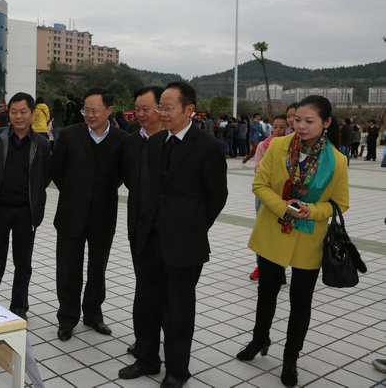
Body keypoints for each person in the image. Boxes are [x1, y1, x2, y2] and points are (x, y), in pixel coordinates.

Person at [119, 81, 227, 387]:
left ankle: (177, 370)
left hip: (185, 243)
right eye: (160, 107)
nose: (162, 113)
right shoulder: (154, 143)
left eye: (168, 108)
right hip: (149, 239)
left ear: (189, 109)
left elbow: (217, 197)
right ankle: (147, 358)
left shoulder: (208, 147)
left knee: (178, 311)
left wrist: (192, 227)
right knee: (145, 304)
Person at [237, 95, 348, 387]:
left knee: (301, 301)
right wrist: (284, 207)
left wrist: (312, 210)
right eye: (297, 119)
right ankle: (259, 339)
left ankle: (290, 357)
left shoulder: (337, 161)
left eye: (309, 121)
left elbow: (340, 204)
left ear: (326, 123)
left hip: (309, 239)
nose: (300, 126)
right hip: (273, 232)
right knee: (266, 292)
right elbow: (259, 185)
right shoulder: (278, 146)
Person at [50, 87, 127, 342]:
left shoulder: (122, 139)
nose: (90, 115)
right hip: (71, 213)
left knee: (98, 268)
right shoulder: (69, 135)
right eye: (86, 110)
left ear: (109, 110)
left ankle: (93, 314)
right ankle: (67, 318)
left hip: (103, 215)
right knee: (68, 269)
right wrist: (77, 193)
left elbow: (121, 175)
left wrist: (98, 194)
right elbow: (56, 170)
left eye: (95, 110)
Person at [0, 92, 51, 321]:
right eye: (14, 111)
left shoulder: (41, 144)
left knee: (23, 262)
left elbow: (45, 177)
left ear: (32, 113)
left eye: (23, 111)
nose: (18, 116)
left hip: (26, 212)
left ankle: (19, 305)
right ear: (8, 113)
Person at [120, 86, 164, 359]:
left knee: (168, 294)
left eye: (146, 109)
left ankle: (168, 345)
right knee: (144, 289)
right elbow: (129, 179)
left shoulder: (174, 142)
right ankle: (145, 343)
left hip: (169, 232)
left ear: (161, 108)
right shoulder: (131, 142)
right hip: (138, 226)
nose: (140, 114)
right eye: (137, 109)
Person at [248, 114, 289, 281]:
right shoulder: (263, 146)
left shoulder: (292, 146)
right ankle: (261, 266)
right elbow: (258, 169)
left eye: (282, 127)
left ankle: (280, 268)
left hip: (285, 195)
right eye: (275, 127)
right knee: (263, 230)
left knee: (282, 231)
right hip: (264, 194)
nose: (278, 130)